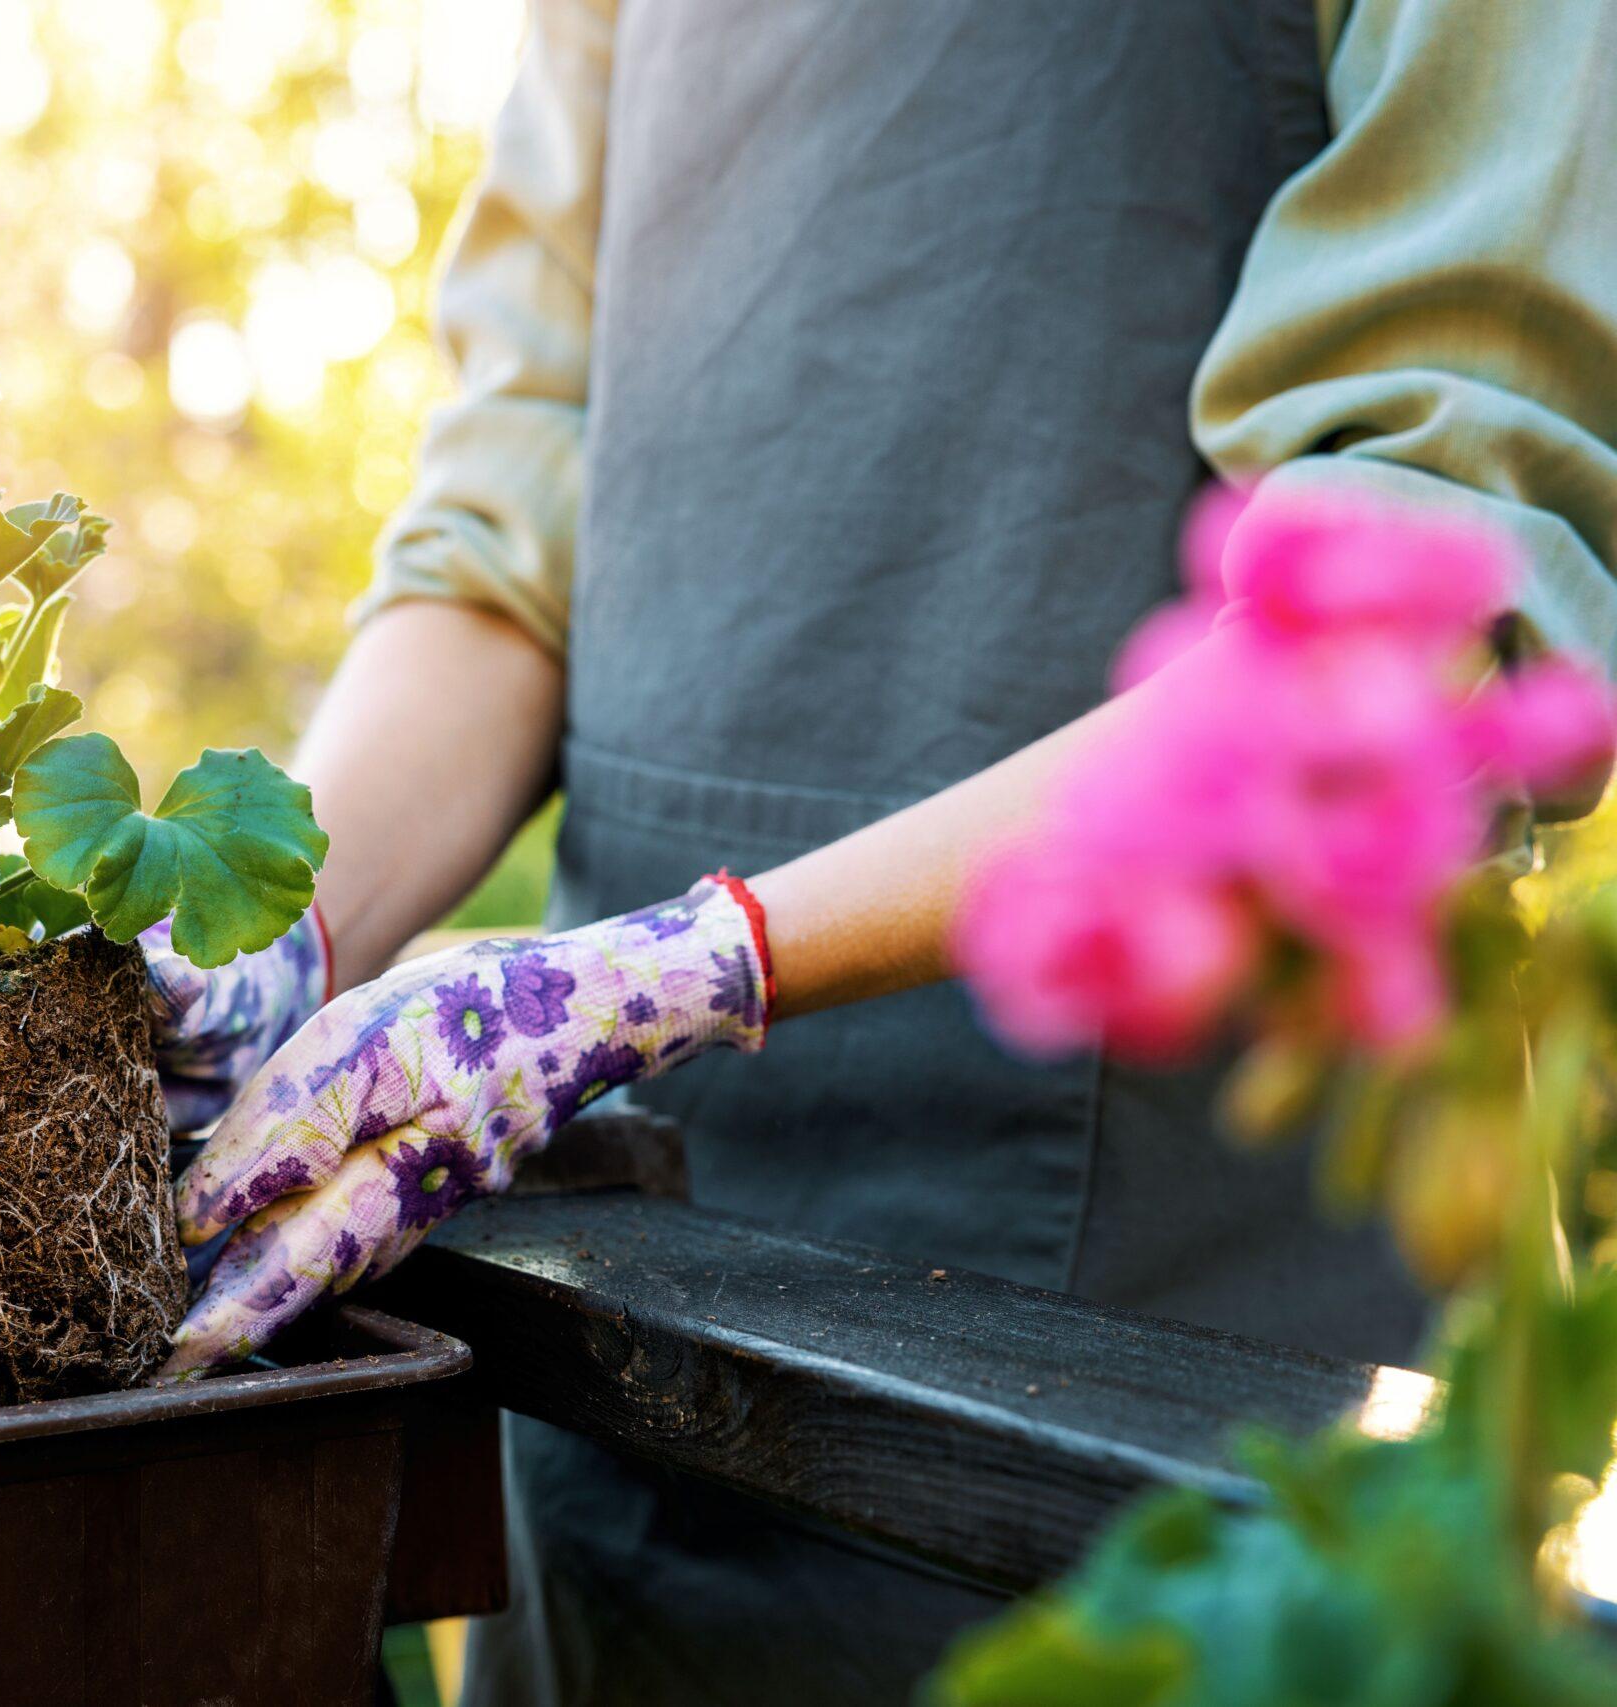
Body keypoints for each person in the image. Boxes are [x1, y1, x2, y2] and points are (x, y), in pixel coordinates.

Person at [141, 1, 1617, 1700]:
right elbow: (506, 534)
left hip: (1153, 1337)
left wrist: (690, 967)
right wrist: (287, 932)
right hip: (616, 1287)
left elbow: (1411, 626)